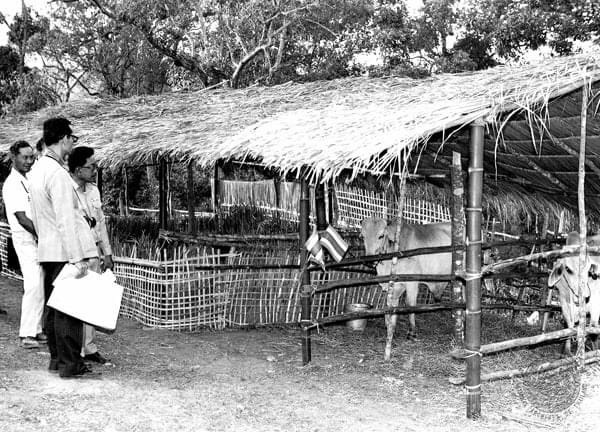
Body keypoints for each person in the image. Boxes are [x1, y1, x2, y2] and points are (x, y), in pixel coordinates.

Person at [28, 117, 101, 379]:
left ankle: (57, 360)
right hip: (62, 251)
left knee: (53, 309)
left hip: (47, 249)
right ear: (64, 139)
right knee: (69, 311)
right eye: (72, 138)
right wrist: (76, 258)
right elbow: (65, 220)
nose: (73, 143)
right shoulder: (57, 173)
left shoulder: (37, 169)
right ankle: (70, 364)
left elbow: (37, 217)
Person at [68, 146, 112, 365]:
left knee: (92, 301)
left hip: (93, 250)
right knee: (73, 302)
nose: (95, 169)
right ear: (78, 170)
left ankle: (89, 346)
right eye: (91, 166)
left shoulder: (93, 190)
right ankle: (72, 350)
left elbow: (101, 222)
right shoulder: (66, 189)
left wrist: (107, 252)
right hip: (75, 252)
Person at [2, 141, 46, 349]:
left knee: (40, 284)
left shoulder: (27, 179)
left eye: (32, 157)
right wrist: (44, 234)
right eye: (25, 157)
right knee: (33, 285)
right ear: (13, 157)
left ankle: (36, 328)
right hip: (26, 240)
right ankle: (26, 333)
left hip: (36, 239)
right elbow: (21, 218)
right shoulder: (12, 184)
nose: (29, 161)